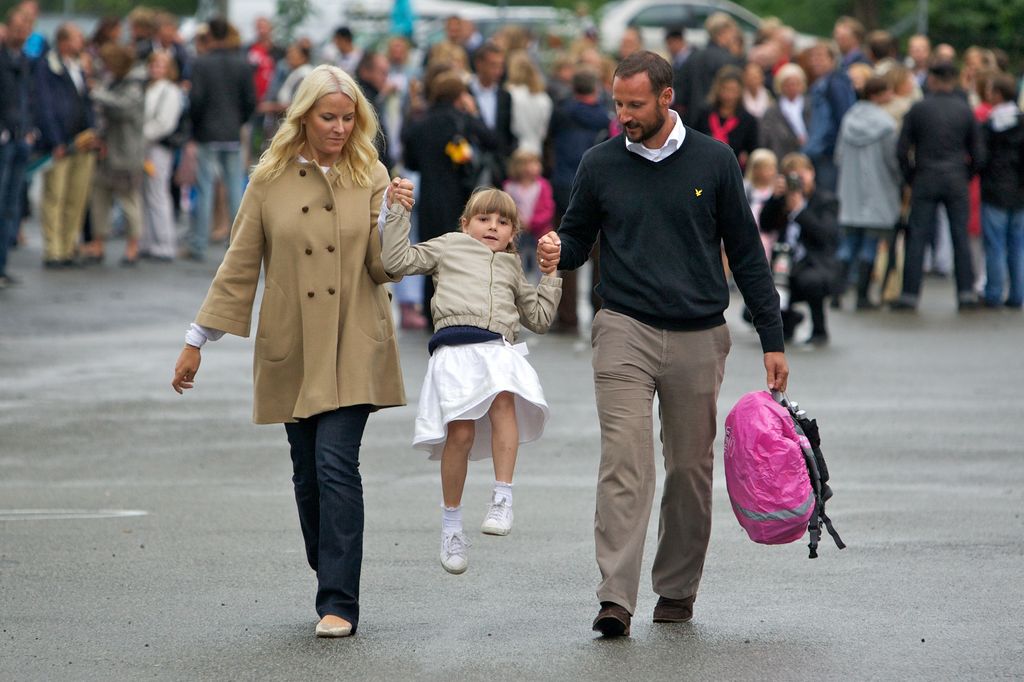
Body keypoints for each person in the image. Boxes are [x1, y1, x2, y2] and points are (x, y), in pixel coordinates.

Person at [537, 51, 788, 637]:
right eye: (618, 103)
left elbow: (748, 253)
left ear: (666, 97)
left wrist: (772, 336)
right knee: (624, 464)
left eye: (635, 104)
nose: (623, 114)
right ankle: (615, 599)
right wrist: (556, 251)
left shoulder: (715, 159)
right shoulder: (600, 163)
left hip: (700, 333)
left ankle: (676, 590)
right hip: (623, 326)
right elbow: (576, 237)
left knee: (689, 471)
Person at [170, 64, 412, 639]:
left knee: (335, 464)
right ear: (303, 117)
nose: (339, 127)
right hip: (293, 342)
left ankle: (339, 601)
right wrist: (196, 340)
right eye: (328, 117)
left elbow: (385, 267)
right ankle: (328, 560)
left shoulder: (371, 171)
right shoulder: (269, 178)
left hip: (354, 339)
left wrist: (396, 215)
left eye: (349, 118)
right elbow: (239, 265)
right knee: (307, 473)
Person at [380, 187, 561, 574]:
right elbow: (396, 260)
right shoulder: (449, 246)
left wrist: (550, 274)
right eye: (483, 219)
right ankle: (451, 526)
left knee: (504, 401)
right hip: (453, 351)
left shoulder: (513, 266)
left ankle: (503, 497)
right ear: (465, 224)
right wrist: (398, 212)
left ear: (514, 234)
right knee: (459, 436)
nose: (492, 227)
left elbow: (541, 319)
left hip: (497, 348)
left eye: (503, 222)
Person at [401, 70, 497, 324]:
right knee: (459, 253)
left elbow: (410, 159)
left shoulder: (419, 122)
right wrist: (473, 112)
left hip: (430, 195)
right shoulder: (462, 120)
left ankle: (429, 308)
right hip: (460, 197)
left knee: (430, 254)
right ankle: (456, 310)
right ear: (458, 96)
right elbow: (492, 140)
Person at [893, 61, 984, 311]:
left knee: (917, 236)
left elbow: (901, 150)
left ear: (931, 80)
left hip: (926, 175)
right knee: (960, 237)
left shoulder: (919, 109)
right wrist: (965, 174)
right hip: (955, 177)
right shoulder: (965, 111)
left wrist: (911, 175)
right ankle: (965, 292)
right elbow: (978, 153)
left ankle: (910, 294)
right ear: (953, 80)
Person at [184, 16, 256, 262]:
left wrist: (194, 126)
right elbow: (250, 101)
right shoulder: (242, 63)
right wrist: (238, 122)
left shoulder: (201, 63)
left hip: (207, 132)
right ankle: (237, 242)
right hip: (232, 132)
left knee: (204, 188)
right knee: (235, 187)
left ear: (210, 35)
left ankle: (199, 244)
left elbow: (196, 100)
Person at [33, 22, 96, 268]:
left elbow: (86, 101)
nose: (81, 41)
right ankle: (53, 249)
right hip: (61, 142)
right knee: (55, 196)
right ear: (64, 41)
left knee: (76, 197)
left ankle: (69, 246)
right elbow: (45, 105)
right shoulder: (47, 66)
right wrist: (55, 139)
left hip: (83, 141)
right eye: (77, 37)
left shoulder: (79, 65)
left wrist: (93, 132)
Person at [835, 76, 901, 309]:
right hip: (878, 191)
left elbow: (839, 155)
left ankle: (836, 294)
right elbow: (893, 161)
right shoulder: (886, 124)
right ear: (876, 95)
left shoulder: (849, 119)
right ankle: (862, 296)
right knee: (869, 245)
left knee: (848, 244)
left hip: (851, 192)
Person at [759, 152, 840, 344]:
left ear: (811, 173)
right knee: (752, 310)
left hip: (815, 264)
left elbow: (826, 236)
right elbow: (765, 225)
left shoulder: (826, 200)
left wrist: (799, 211)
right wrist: (775, 198)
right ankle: (788, 320)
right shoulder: (782, 199)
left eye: (800, 176)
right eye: (792, 178)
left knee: (810, 281)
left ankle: (819, 330)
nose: (797, 183)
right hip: (784, 264)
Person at [85, 44, 146, 265]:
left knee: (129, 201)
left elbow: (124, 108)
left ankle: (132, 246)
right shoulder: (114, 81)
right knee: (99, 198)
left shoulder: (134, 84)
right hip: (107, 151)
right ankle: (98, 243)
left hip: (127, 154)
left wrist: (96, 93)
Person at [978, 73, 1024, 309]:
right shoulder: (1021, 121)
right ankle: (1017, 294)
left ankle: (994, 292)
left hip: (995, 191)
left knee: (995, 245)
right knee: (1018, 246)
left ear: (997, 94)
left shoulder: (990, 125)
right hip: (1019, 192)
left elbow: (981, 159)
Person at [0, 5, 34, 287]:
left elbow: (27, 99)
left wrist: (29, 129)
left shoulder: (24, 60)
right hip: (4, 140)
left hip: (20, 139)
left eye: (26, 30)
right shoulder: (3, 58)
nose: (21, 34)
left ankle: (2, 266)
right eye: (17, 28)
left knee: (11, 206)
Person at [140, 51, 184, 262]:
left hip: (158, 147)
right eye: (154, 64)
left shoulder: (171, 91)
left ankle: (164, 243)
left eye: (162, 65)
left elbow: (165, 123)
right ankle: (148, 240)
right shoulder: (147, 88)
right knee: (144, 193)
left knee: (158, 193)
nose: (156, 68)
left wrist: (141, 137)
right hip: (143, 146)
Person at [693, 65, 759, 169]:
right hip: (704, 167)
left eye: (733, 90)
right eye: (725, 89)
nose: (729, 95)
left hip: (734, 169)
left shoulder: (747, 120)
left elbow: (753, 150)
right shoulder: (705, 113)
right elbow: (694, 140)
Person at [504, 148, 554, 278]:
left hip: (539, 234)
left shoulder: (543, 186)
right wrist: (517, 221)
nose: (533, 167)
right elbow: (506, 208)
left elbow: (548, 210)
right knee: (519, 266)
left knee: (540, 267)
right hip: (518, 235)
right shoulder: (510, 187)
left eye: (535, 163)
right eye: (527, 163)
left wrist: (532, 223)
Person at [505, 51, 552, 156]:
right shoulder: (544, 98)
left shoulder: (509, 94)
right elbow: (543, 131)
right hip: (536, 149)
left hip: (516, 149)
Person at [759, 63, 810, 161]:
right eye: (788, 84)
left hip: (809, 155)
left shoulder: (811, 105)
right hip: (782, 157)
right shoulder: (772, 111)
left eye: (796, 83)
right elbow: (766, 138)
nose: (792, 87)